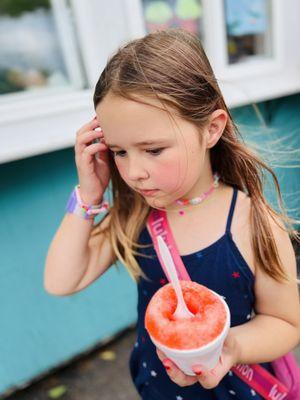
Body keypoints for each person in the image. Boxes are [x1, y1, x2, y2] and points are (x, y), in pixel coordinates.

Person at [44, 29, 300, 399]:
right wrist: (88, 196)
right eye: (119, 152)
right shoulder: (133, 215)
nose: (133, 173)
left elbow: (286, 323)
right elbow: (60, 280)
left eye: (153, 150)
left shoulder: (254, 223)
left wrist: (230, 348)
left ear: (211, 129)